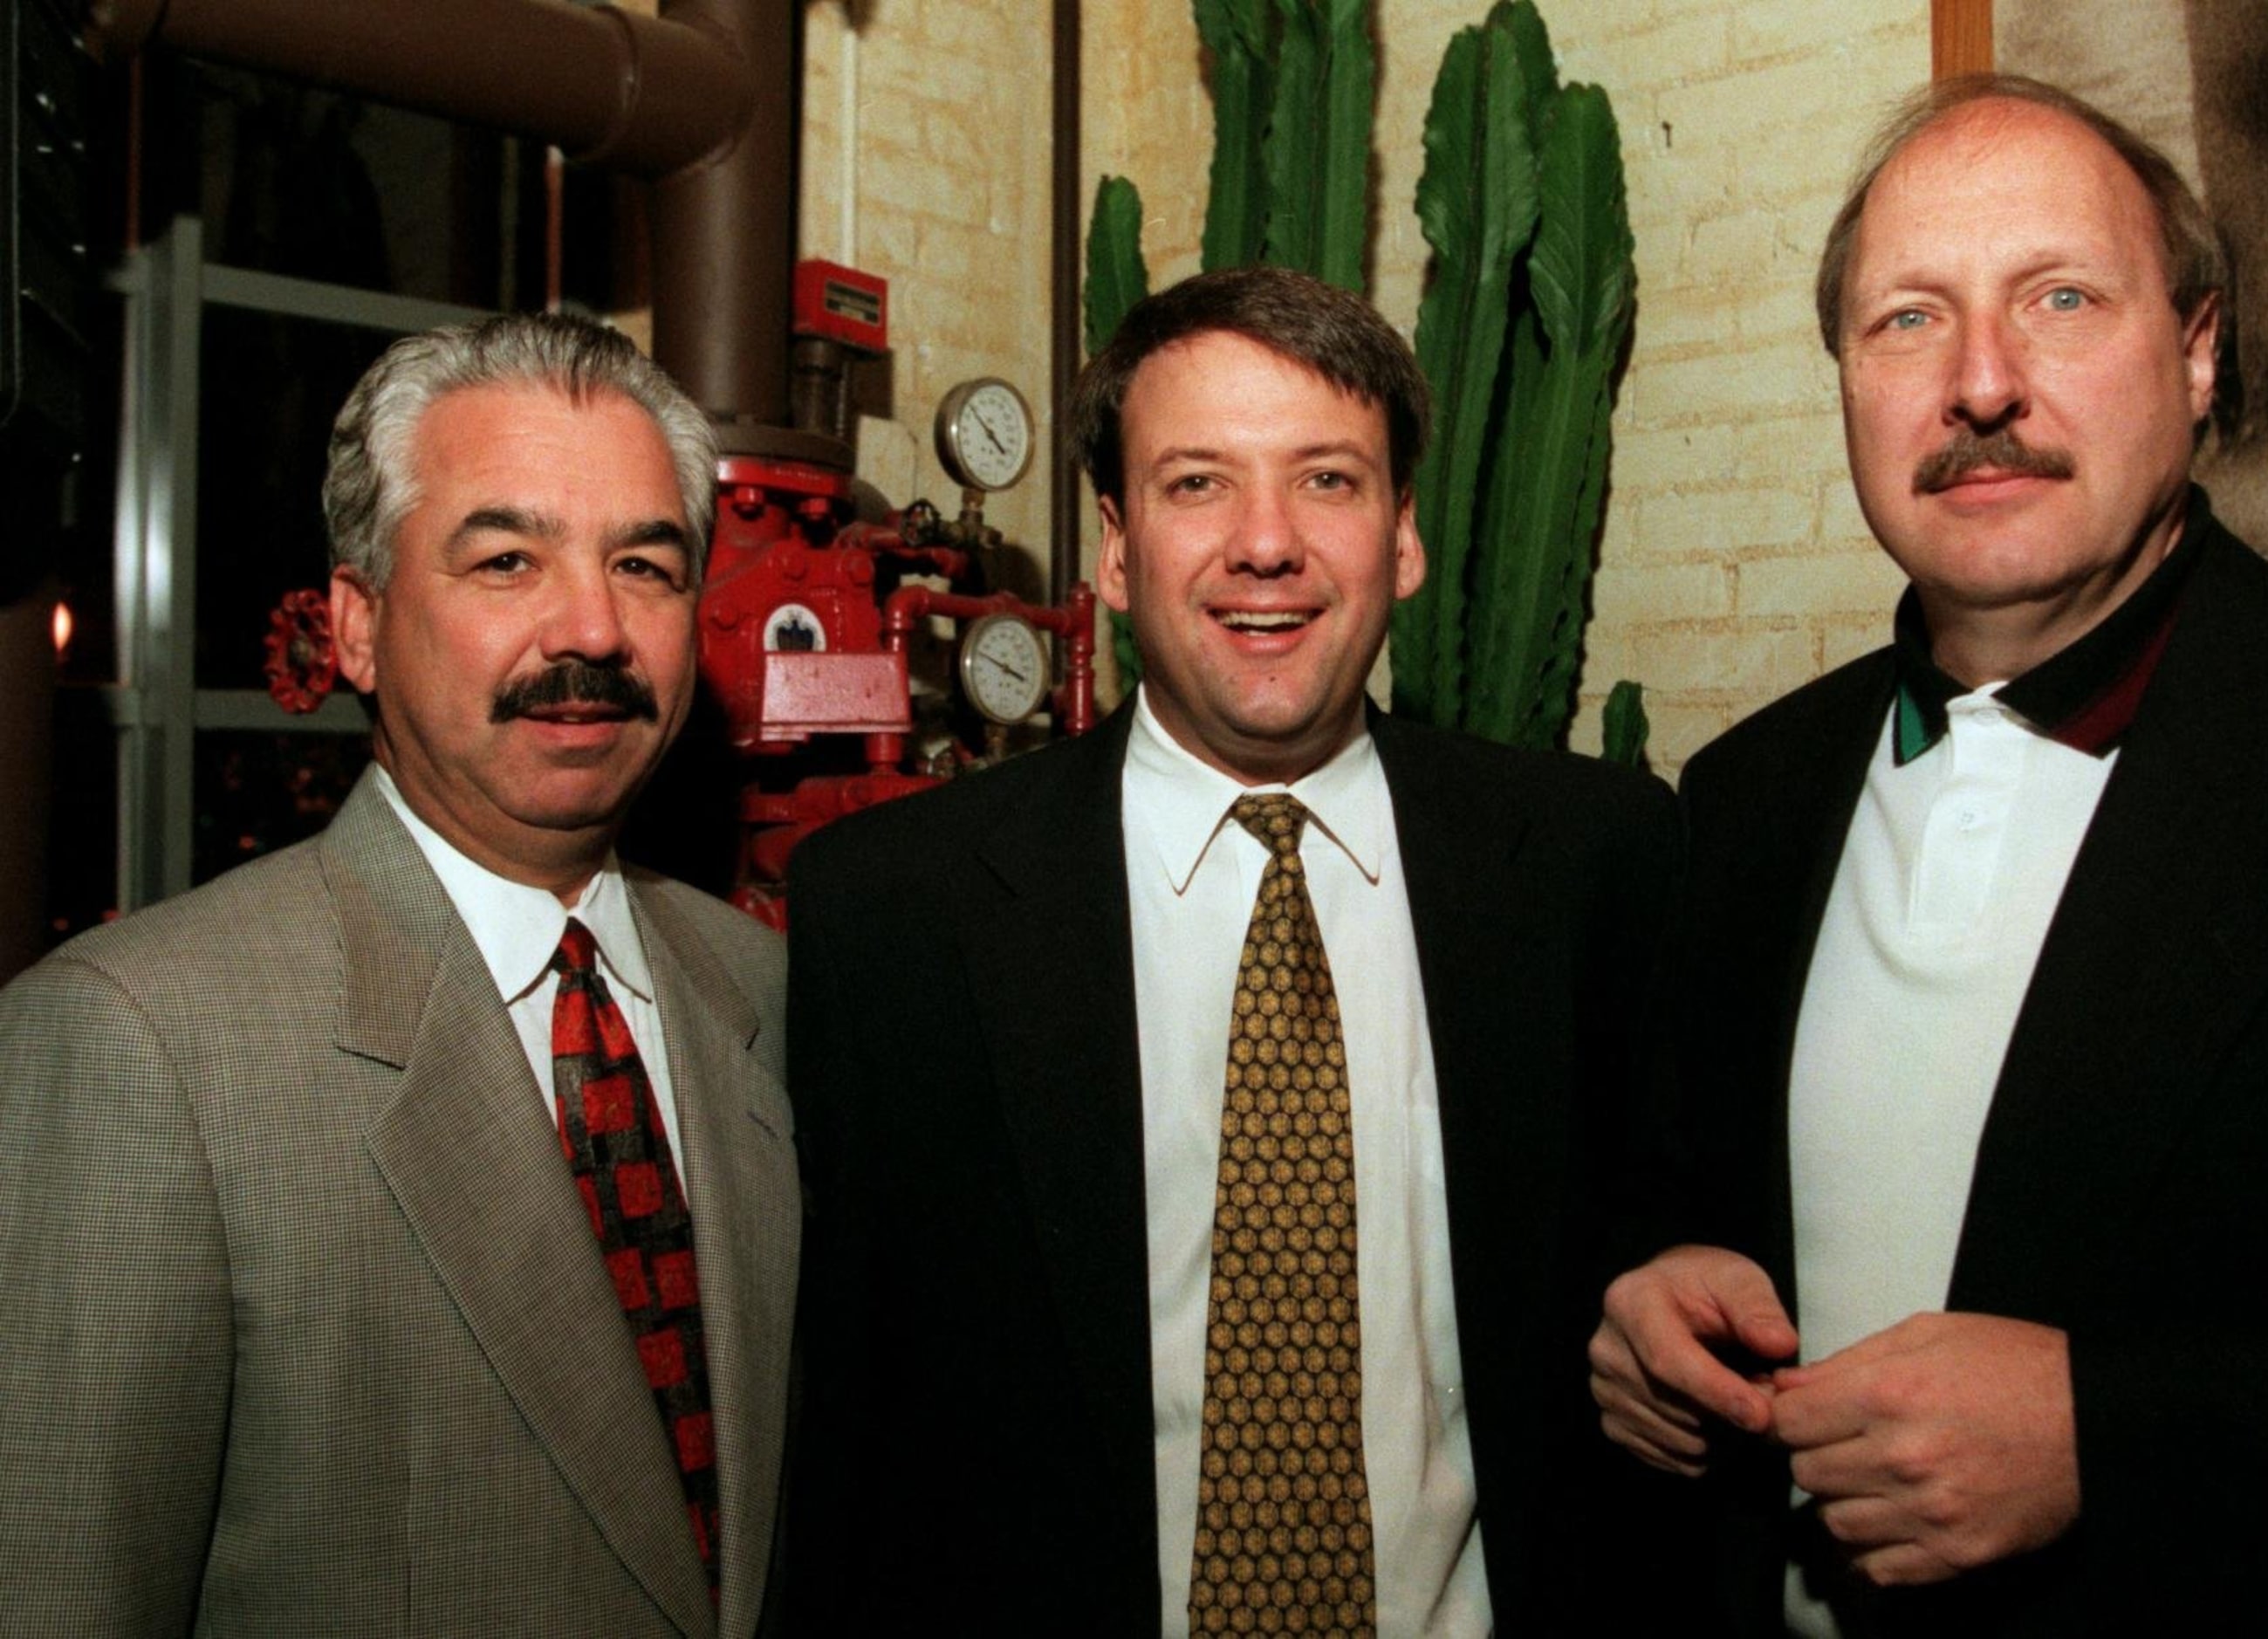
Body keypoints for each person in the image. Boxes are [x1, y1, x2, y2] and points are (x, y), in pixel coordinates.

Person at [1589, 74, 2268, 1635]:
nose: (1980, 383)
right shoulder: (1746, 796)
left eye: (2058, 297)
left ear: (2197, 355)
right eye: (1908, 320)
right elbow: (1689, 1207)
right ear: (1844, 379)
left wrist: (2113, 1440)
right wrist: (1649, 1309)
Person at [786, 264, 1675, 1633]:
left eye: (1327, 480)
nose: (1267, 543)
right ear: (1118, 548)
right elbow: (847, 1433)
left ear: (1405, 538)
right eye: (1198, 482)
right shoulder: (898, 912)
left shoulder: (1591, 868)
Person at [0, 314, 796, 1636]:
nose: (591, 625)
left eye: (644, 565)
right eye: (506, 558)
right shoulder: (138, 1047)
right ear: (359, 626)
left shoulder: (759, 989)